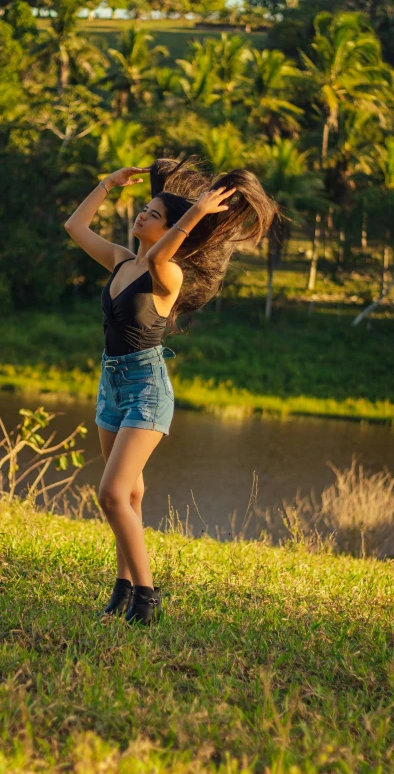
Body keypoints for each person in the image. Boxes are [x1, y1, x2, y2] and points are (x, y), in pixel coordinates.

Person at [64, 156, 277, 626]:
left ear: (172, 228)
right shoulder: (121, 260)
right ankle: (122, 586)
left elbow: (162, 254)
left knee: (112, 494)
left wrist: (197, 213)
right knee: (131, 496)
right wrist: (106, 183)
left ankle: (146, 597)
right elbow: (75, 226)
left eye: (154, 213)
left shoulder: (169, 274)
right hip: (111, 386)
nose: (143, 213)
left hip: (146, 389)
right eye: (146, 208)